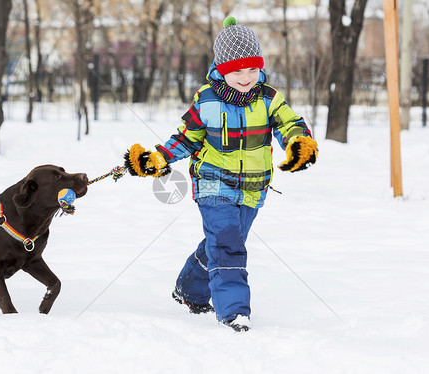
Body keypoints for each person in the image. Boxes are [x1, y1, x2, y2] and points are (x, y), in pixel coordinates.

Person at [123, 17, 317, 332]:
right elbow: (187, 138)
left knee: (223, 240)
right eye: (237, 70)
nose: (246, 77)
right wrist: (157, 157)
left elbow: (289, 124)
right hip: (212, 183)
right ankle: (234, 310)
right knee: (228, 242)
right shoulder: (207, 99)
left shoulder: (268, 97)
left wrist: (298, 143)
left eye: (252, 69)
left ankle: (189, 289)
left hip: (253, 188)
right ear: (222, 68)